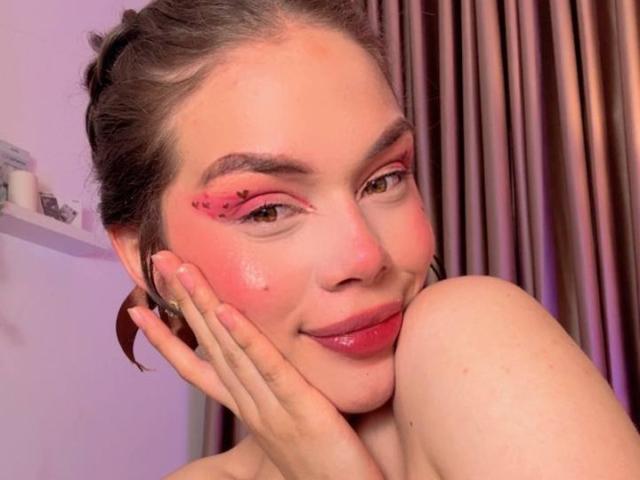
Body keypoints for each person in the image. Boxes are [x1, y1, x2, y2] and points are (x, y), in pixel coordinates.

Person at [84, 1, 640, 478]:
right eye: (267, 209)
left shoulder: (469, 336)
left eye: (384, 179)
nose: (366, 257)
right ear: (144, 258)